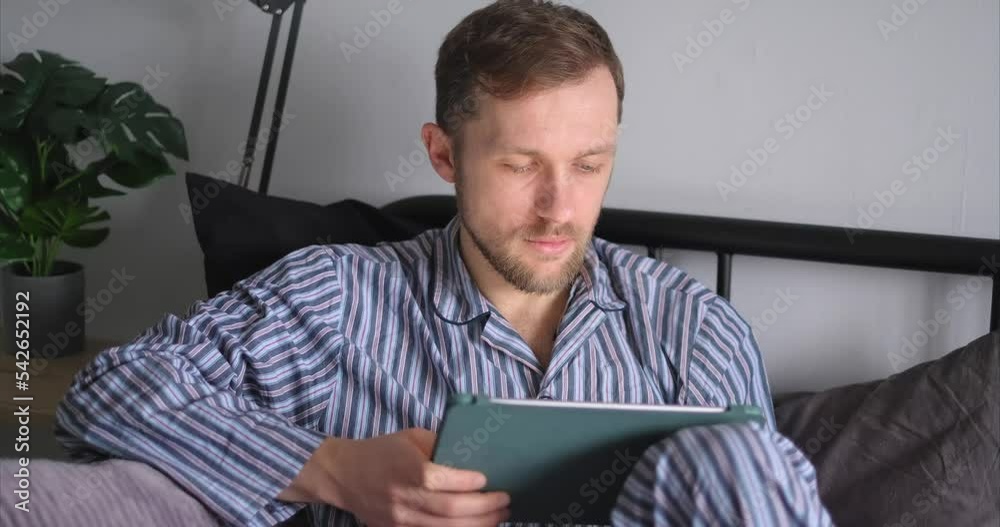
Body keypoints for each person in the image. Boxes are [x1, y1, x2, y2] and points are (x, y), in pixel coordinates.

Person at [56, 1, 834, 525]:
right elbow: (107, 389)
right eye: (521, 165)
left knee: (741, 456)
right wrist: (331, 468)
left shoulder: (694, 330)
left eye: (590, 163)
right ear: (443, 153)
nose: (560, 207)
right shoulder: (338, 297)